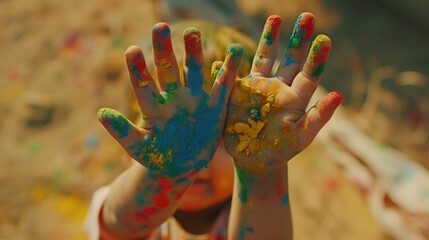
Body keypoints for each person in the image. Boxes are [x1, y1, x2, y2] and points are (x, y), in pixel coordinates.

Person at [84, 12, 343, 240]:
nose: (201, 157)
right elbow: (119, 225)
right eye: (176, 135)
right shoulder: (127, 203)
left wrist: (261, 174)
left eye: (220, 137)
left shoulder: (256, 212)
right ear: (127, 149)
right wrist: (164, 174)